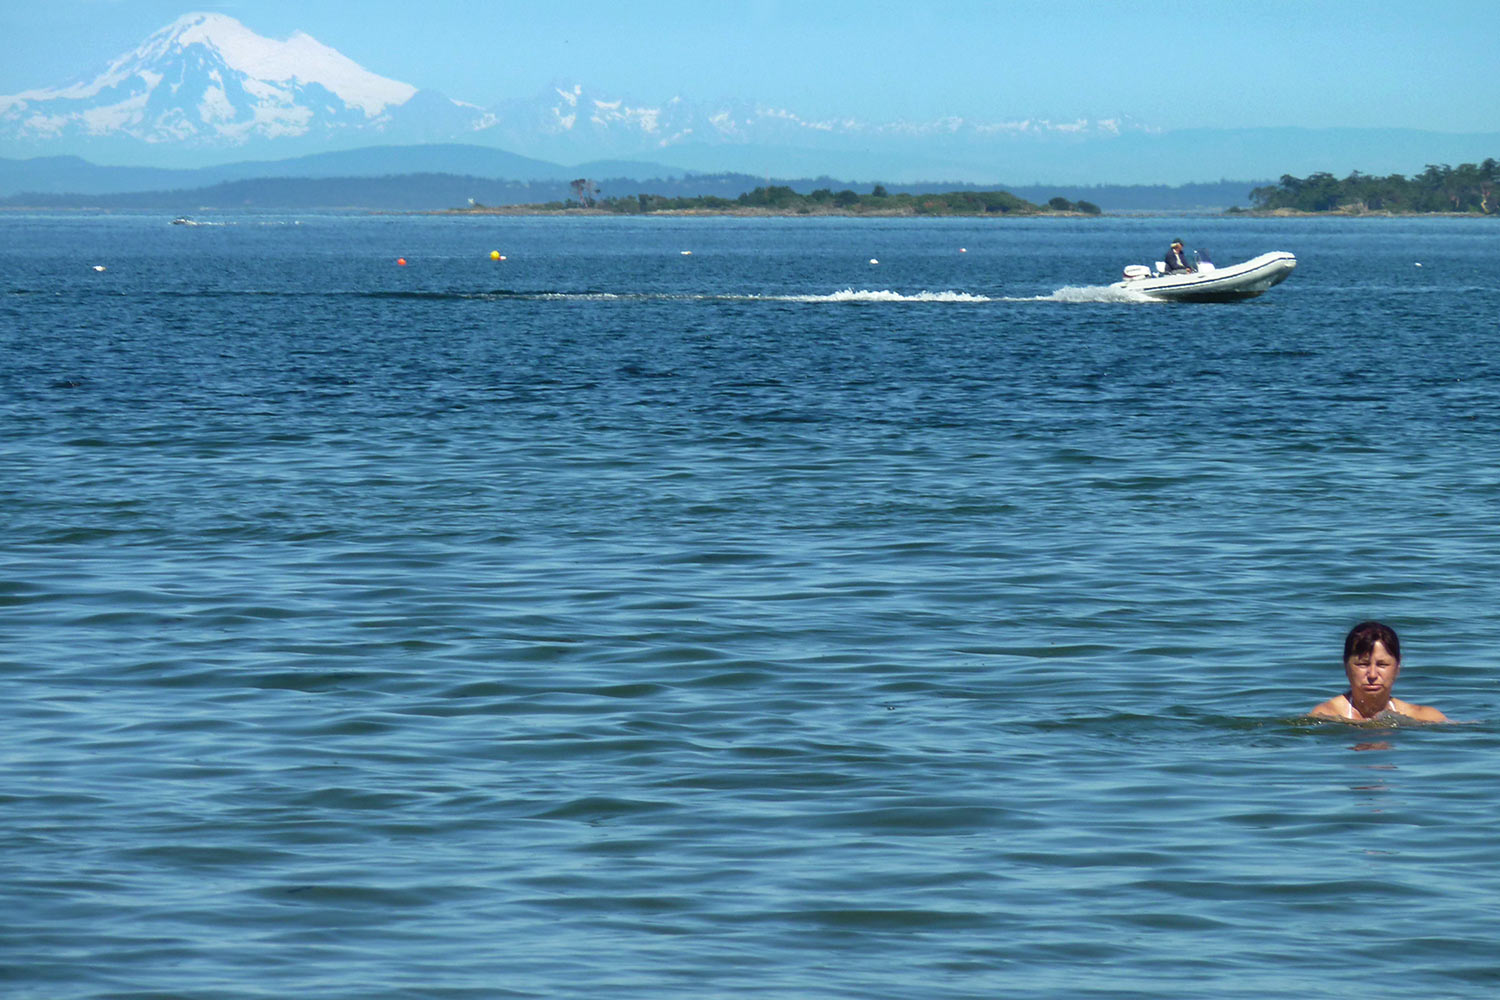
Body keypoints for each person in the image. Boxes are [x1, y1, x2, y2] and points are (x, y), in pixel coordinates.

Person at [1310, 621, 1448, 722]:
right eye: (1362, 664)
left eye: (1382, 665)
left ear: (1397, 667)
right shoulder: (1326, 716)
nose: (1372, 675)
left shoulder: (1426, 717)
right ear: (1346, 666)